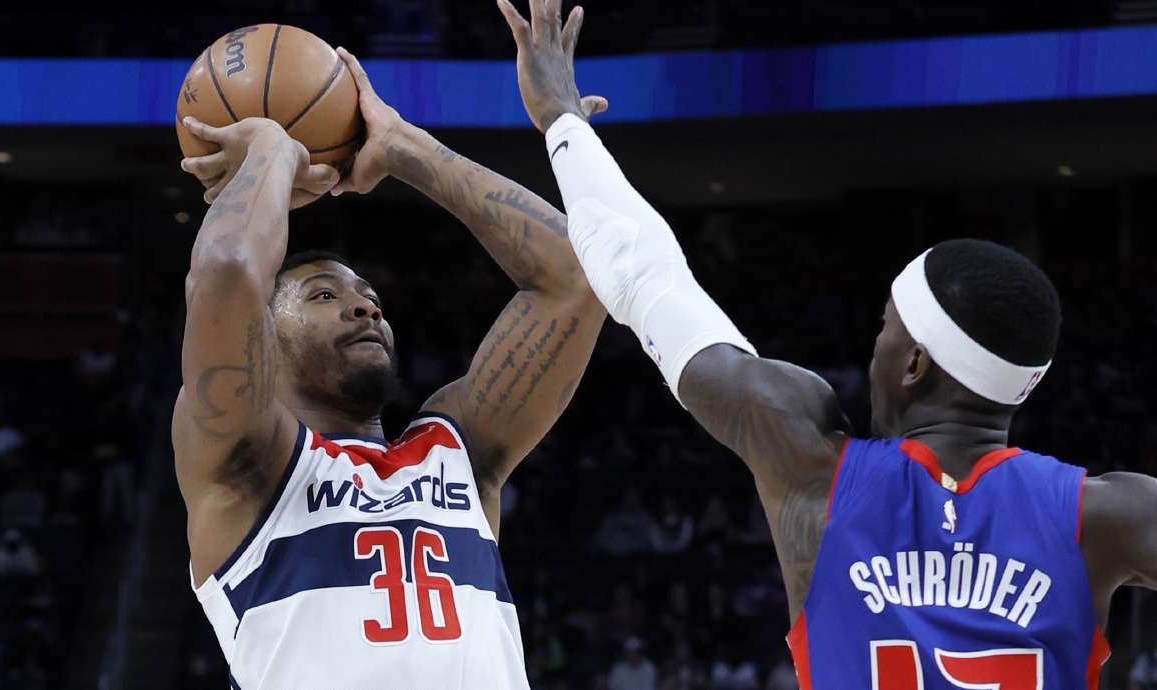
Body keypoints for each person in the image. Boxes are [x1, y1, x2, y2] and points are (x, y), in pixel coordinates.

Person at [497, 0, 1157, 686]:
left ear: (914, 363)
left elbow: (645, 279)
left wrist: (561, 122)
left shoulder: (813, 469)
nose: (874, 347)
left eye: (885, 327)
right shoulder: (1107, 515)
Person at [173, 46, 605, 688]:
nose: (363, 308)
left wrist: (405, 147)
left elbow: (576, 277)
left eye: (371, 298)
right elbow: (227, 273)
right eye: (324, 295)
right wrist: (273, 150)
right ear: (263, 331)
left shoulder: (456, 454)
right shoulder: (249, 466)